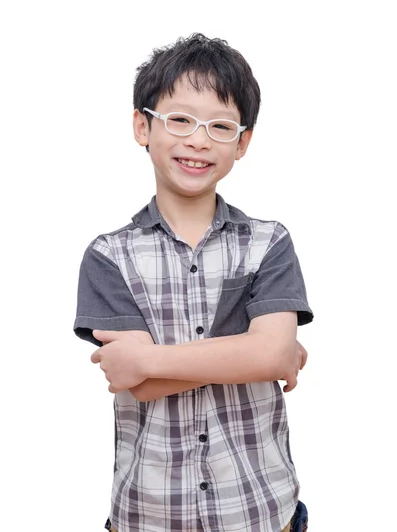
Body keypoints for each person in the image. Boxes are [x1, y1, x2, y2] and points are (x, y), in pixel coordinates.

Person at [74, 33, 314, 532]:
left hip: (259, 510)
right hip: (149, 514)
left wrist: (268, 354)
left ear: (243, 143)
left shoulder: (269, 242)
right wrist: (257, 354)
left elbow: (143, 367)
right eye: (180, 119)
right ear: (143, 125)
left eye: (220, 127)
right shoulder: (108, 255)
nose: (199, 140)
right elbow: (139, 385)